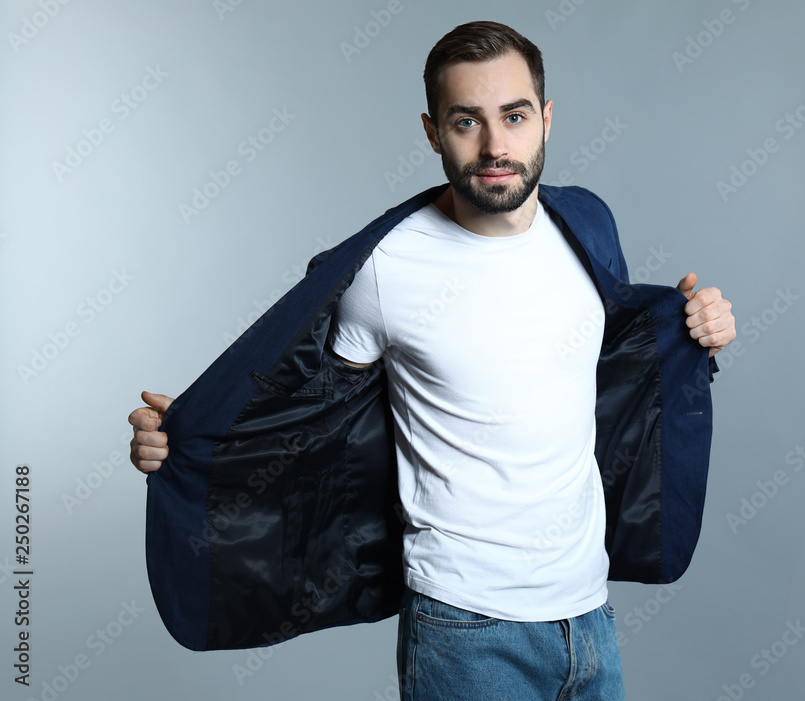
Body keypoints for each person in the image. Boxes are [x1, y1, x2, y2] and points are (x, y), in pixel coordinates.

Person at [129, 20, 735, 701]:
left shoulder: (588, 226)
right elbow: (311, 418)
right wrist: (192, 444)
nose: (495, 144)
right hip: (465, 633)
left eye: (514, 116)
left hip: (588, 618)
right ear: (431, 130)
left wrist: (694, 334)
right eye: (465, 121)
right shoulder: (386, 267)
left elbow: (614, 370)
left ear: (547, 118)